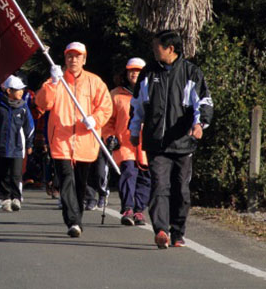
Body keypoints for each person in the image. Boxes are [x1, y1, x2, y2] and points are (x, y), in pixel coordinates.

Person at [129, 30, 213, 249]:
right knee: (159, 186)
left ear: (170, 49)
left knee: (181, 191)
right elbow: (138, 104)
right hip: (155, 143)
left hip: (183, 143)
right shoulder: (148, 73)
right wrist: (134, 130)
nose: (154, 50)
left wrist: (199, 124)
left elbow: (203, 102)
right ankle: (161, 230)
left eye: (157, 46)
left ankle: (177, 232)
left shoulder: (191, 73)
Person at [35, 42, 113, 238]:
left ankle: (76, 219)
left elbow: (105, 107)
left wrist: (94, 119)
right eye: (70, 56)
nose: (73, 60)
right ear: (65, 58)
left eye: (77, 56)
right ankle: (73, 221)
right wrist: (52, 83)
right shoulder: (56, 81)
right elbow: (43, 103)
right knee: (66, 179)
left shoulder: (95, 82)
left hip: (86, 141)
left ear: (84, 59)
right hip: (61, 141)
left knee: (80, 183)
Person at [103, 58, 151, 227]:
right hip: (124, 143)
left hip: (146, 144)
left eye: (138, 71)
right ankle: (128, 209)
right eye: (131, 70)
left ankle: (139, 210)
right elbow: (107, 121)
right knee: (129, 172)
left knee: (145, 177)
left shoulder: (152, 92)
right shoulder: (115, 94)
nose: (134, 74)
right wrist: (109, 137)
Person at [0, 75, 35, 212]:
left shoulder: (23, 106)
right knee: (2, 173)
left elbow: (29, 126)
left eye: (22, 90)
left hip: (18, 146)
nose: (21, 92)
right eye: (18, 90)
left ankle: (16, 198)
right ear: (9, 91)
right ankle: (5, 198)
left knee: (16, 174)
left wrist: (30, 144)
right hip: (0, 145)